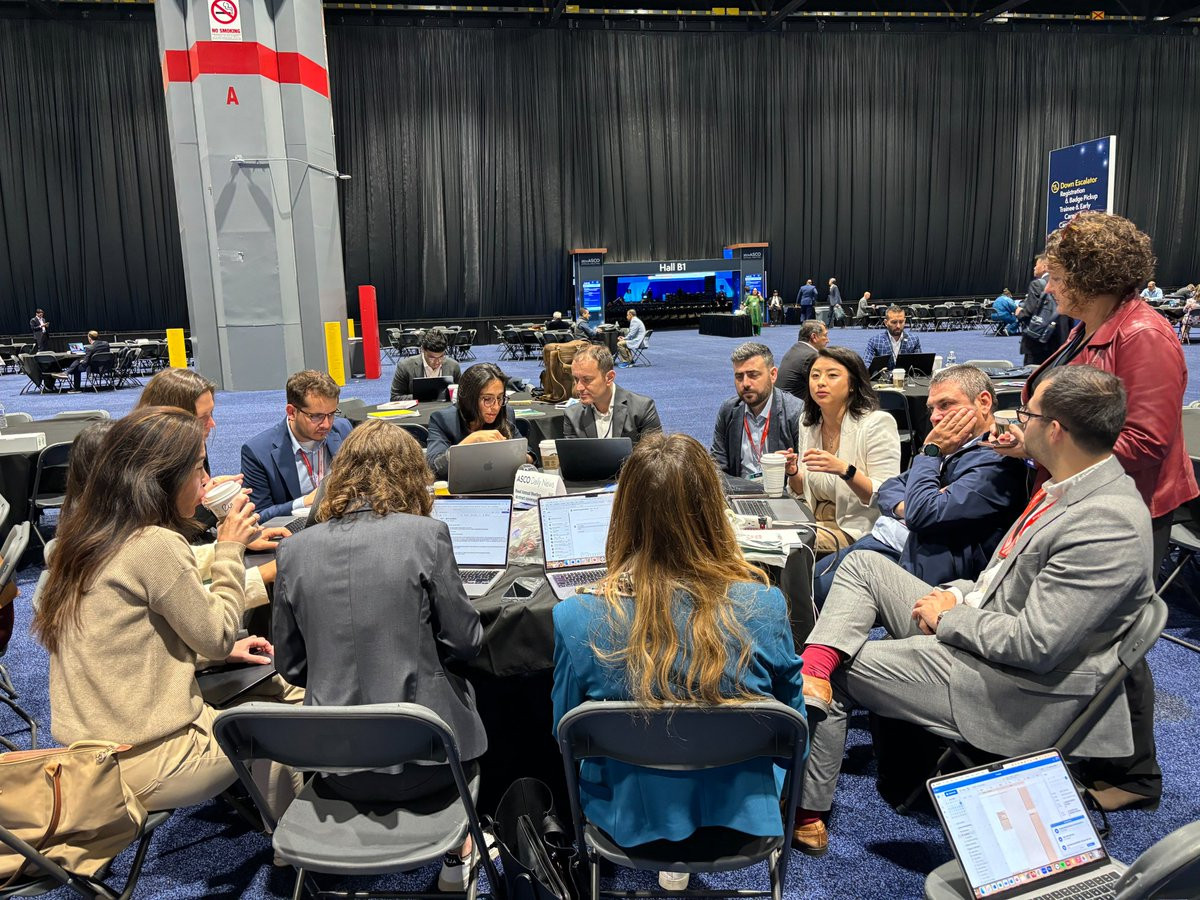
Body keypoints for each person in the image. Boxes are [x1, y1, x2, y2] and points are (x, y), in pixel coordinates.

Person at [792, 366, 1155, 854]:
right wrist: (958, 596)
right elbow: (997, 577)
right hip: (983, 628)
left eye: (1027, 415)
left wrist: (950, 617)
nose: (1015, 423)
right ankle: (814, 666)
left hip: (1013, 687)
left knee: (839, 669)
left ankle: (807, 809)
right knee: (862, 567)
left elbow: (1035, 646)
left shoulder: (1105, 522)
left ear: (1054, 430)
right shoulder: (1071, 486)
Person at [999, 211, 1199, 810]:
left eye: (1057, 274)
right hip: (1080, 499)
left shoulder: (1143, 335)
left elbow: (1144, 442)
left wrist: (1045, 451)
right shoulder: (1094, 326)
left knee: (1115, 638)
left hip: (1126, 509)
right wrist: (1029, 439)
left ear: (1090, 276)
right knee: (1082, 632)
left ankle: (1135, 777)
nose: (1048, 285)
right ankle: (1092, 750)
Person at [552, 433, 806, 885]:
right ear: (713, 512)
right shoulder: (764, 607)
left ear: (623, 514)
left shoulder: (576, 618)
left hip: (624, 822)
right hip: (744, 818)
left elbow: (565, 735)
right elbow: (795, 738)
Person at [33, 407, 298, 817]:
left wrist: (214, 654)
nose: (206, 481)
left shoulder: (83, 538)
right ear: (164, 475)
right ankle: (298, 842)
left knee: (273, 692)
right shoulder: (153, 544)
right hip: (152, 758)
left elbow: (125, 646)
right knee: (292, 720)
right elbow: (218, 635)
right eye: (198, 468)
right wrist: (230, 548)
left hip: (88, 754)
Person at [272, 421, 485, 890]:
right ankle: (460, 849)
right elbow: (467, 642)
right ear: (412, 475)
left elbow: (290, 666)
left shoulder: (293, 552)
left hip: (334, 769)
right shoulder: (428, 535)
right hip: (429, 766)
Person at [813, 365, 1028, 604]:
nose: (934, 416)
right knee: (803, 581)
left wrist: (930, 452)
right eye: (931, 408)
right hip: (882, 538)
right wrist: (910, 505)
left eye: (945, 405)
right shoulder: (955, 446)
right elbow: (889, 487)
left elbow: (923, 513)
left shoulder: (998, 461)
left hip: (912, 563)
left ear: (984, 402)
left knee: (810, 595)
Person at [136, 367, 286, 591]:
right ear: (172, 422)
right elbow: (203, 608)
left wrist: (237, 541)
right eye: (203, 418)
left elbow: (176, 559)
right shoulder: (138, 490)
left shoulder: (184, 450)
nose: (212, 424)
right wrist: (210, 507)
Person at [787, 347, 900, 555]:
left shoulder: (877, 424)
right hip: (812, 520)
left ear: (852, 385)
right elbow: (803, 489)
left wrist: (845, 471)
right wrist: (793, 471)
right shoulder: (809, 423)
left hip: (856, 529)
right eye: (815, 376)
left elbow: (886, 495)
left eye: (832, 375)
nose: (821, 382)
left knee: (786, 544)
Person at [241, 369, 352, 522]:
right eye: (316, 416)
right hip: (295, 530)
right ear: (291, 412)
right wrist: (304, 502)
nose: (326, 424)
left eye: (332, 414)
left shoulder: (343, 429)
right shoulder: (258, 452)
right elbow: (258, 515)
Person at [710, 342, 803, 482]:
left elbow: (804, 474)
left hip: (781, 491)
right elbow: (717, 466)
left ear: (773, 375)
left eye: (753, 375)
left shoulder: (795, 411)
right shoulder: (728, 410)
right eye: (739, 377)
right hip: (738, 490)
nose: (745, 383)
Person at [427, 362, 531, 479]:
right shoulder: (443, 420)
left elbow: (530, 455)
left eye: (500, 398)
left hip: (500, 484)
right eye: (487, 399)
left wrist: (518, 456)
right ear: (469, 399)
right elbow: (434, 468)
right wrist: (472, 441)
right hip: (461, 487)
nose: (496, 406)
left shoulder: (505, 413)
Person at [562, 345, 662, 445]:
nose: (578, 388)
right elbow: (572, 454)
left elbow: (655, 453)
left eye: (587, 379)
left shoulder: (642, 408)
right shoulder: (572, 415)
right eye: (576, 379)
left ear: (609, 377)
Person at [389, 331, 462, 401]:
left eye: (441, 356)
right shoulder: (405, 366)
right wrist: (424, 396)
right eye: (432, 358)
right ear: (422, 350)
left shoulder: (453, 366)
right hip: (418, 408)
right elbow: (395, 397)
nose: (437, 362)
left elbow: (461, 395)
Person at [1018, 255, 1061, 366]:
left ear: (1045, 266)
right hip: (1057, 339)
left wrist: (1019, 312)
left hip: (1036, 340)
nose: (1034, 268)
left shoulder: (1037, 284)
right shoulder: (1062, 282)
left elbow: (1028, 312)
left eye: (1036, 265)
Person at [776, 320, 828, 401]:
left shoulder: (796, 349)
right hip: (793, 404)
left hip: (781, 400)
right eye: (825, 335)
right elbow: (823, 385)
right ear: (814, 337)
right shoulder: (811, 356)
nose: (828, 340)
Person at [861, 306, 922, 371]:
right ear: (886, 323)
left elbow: (919, 366)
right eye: (894, 322)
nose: (898, 326)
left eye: (901, 322)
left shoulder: (914, 340)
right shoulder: (875, 341)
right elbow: (866, 365)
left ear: (905, 321)